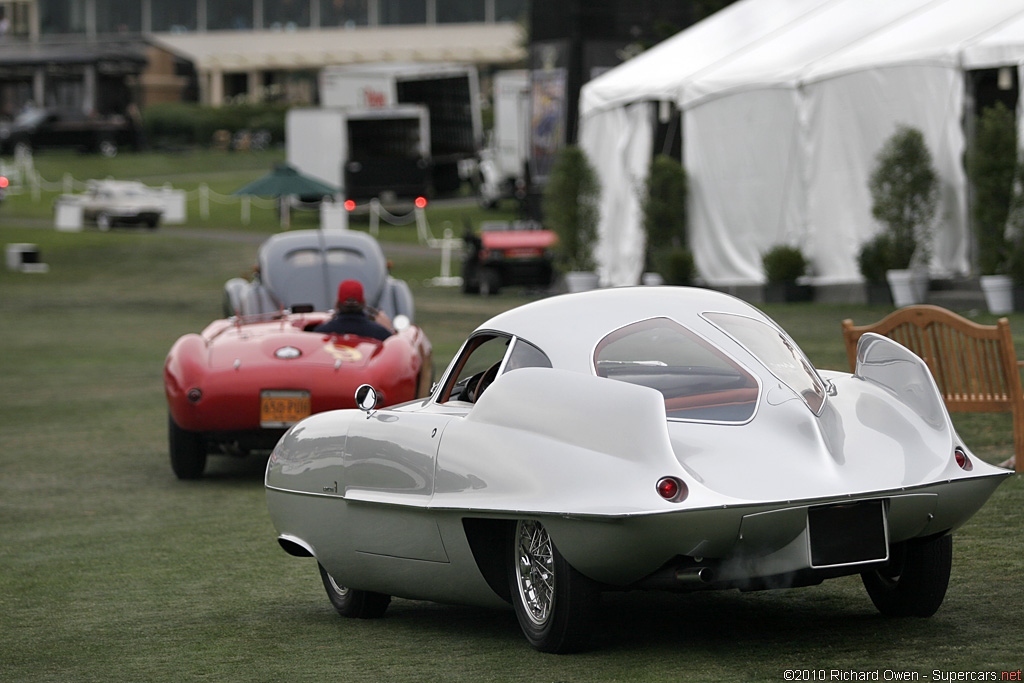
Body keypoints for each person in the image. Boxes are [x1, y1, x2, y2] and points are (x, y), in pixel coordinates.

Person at [314, 279, 392, 341]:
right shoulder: (381, 333)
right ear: (363, 302)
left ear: (337, 303)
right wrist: (389, 329)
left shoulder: (321, 333)